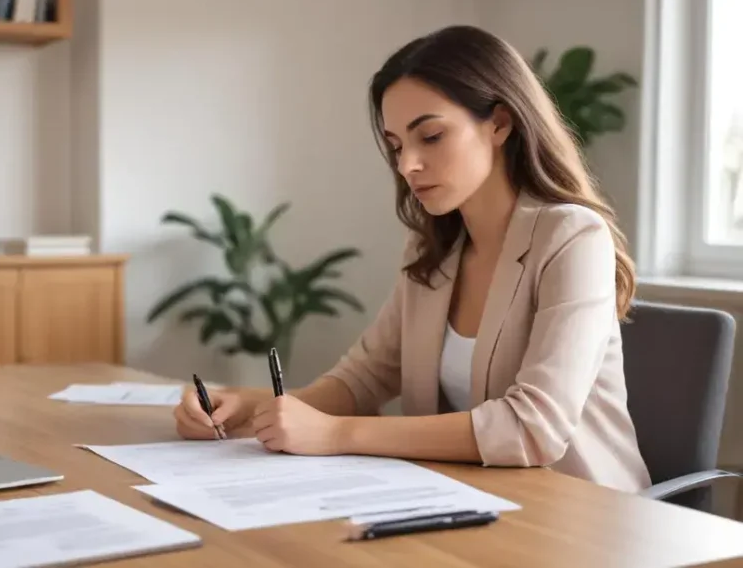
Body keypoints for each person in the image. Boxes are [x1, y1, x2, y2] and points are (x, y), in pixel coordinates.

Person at [172, 24, 651, 493]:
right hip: (473, 502)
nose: (407, 165)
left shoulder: (571, 237)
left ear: (500, 123)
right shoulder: (433, 250)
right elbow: (363, 379)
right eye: (397, 145)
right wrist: (247, 407)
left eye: (432, 137)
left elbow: (533, 427)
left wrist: (338, 435)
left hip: (581, 514)